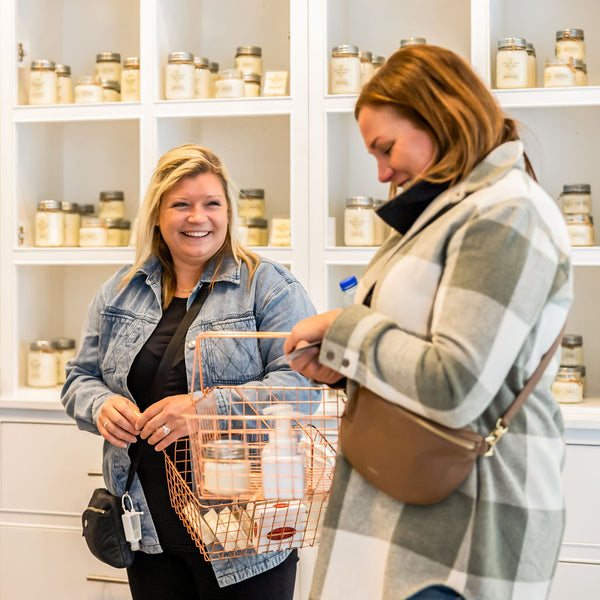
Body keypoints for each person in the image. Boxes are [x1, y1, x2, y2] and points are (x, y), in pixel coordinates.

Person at [284, 45, 572, 600]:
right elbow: (421, 347)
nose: (382, 171)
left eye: (386, 148)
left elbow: (455, 383)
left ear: (439, 116)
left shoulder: (506, 214)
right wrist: (343, 367)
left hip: (459, 533)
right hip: (410, 519)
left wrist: (345, 332)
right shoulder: (449, 211)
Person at [61, 143, 316, 600]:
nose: (198, 217)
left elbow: (303, 385)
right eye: (181, 204)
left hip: (245, 536)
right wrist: (100, 406)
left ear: (229, 212)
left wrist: (204, 411)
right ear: (158, 215)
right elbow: (79, 378)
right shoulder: (120, 291)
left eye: (211, 203)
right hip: (148, 528)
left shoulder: (268, 286)